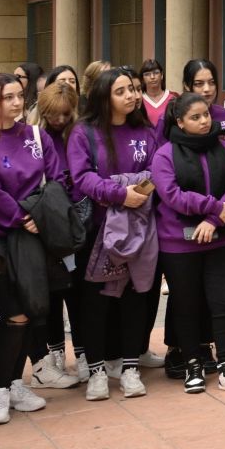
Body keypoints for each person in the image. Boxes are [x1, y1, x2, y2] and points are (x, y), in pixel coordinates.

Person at [0, 74, 62, 424]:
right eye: (8, 97)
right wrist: (21, 217)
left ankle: (16, 383)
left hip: (36, 236)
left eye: (20, 96)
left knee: (31, 310)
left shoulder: (36, 135)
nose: (17, 103)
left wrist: (39, 216)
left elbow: (57, 180)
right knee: (13, 313)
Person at [152, 93, 225, 395]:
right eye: (195, 117)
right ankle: (192, 365)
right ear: (180, 122)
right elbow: (171, 194)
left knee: (224, 303)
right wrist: (213, 207)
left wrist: (213, 221)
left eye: (206, 115)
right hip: (178, 242)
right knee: (187, 304)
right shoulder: (165, 155)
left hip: (223, 238)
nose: (204, 121)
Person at [71, 68, 161, 400]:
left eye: (133, 90)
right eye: (121, 91)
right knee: (95, 303)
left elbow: (157, 170)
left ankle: (130, 367)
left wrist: (138, 192)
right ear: (104, 96)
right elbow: (82, 177)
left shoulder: (145, 131)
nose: (131, 96)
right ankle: (97, 371)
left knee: (135, 297)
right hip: (98, 231)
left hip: (140, 227)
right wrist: (122, 193)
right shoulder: (84, 132)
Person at [28, 80, 87, 388]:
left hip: (76, 219)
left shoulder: (79, 132)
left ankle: (83, 352)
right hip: (46, 220)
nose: (59, 119)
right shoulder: (33, 137)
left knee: (76, 292)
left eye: (65, 113)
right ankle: (54, 353)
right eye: (54, 114)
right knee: (50, 293)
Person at [182, 59, 225, 141]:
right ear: (186, 86)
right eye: (199, 84)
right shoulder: (174, 117)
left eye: (212, 82)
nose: (207, 89)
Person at [138, 59, 174, 128]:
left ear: (162, 75)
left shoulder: (173, 97)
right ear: (142, 78)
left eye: (156, 73)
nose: (152, 77)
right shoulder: (138, 99)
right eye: (147, 74)